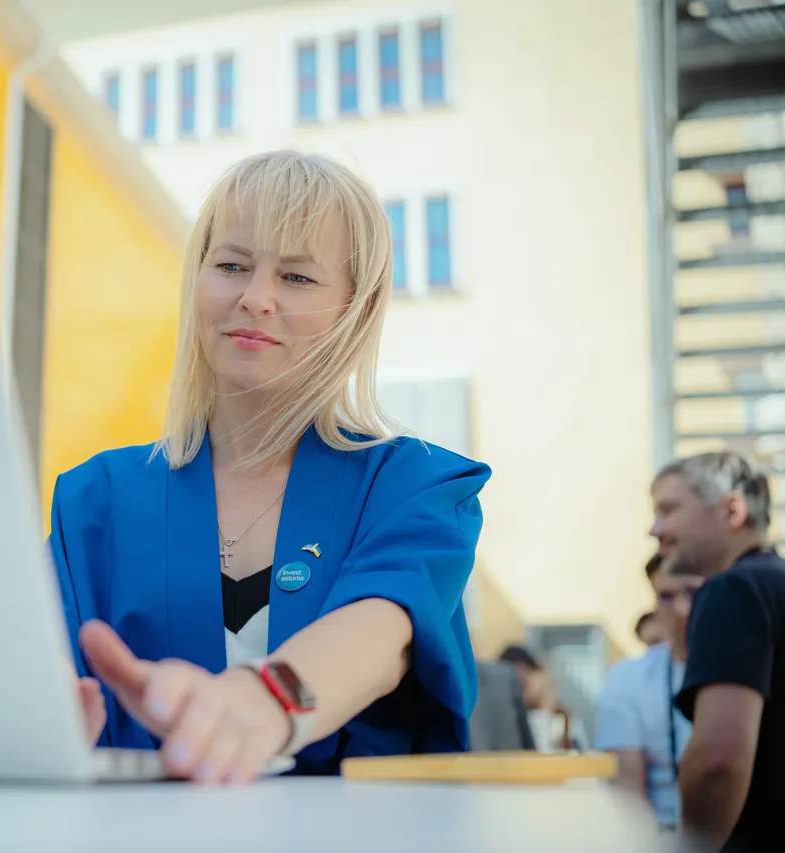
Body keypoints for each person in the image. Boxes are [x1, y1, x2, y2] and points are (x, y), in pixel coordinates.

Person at [50, 150, 491, 785]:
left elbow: (381, 630)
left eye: (297, 278)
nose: (255, 298)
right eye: (231, 265)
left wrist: (266, 701)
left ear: (354, 310)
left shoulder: (415, 488)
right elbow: (49, 668)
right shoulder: (94, 499)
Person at [650, 451, 784, 853]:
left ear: (731, 510)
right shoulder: (774, 585)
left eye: (668, 509)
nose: (654, 529)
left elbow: (717, 763)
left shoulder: (733, 590)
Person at [594, 552, 701, 830]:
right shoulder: (627, 678)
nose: (681, 608)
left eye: (692, 592)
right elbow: (628, 793)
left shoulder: (758, 666)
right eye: (666, 596)